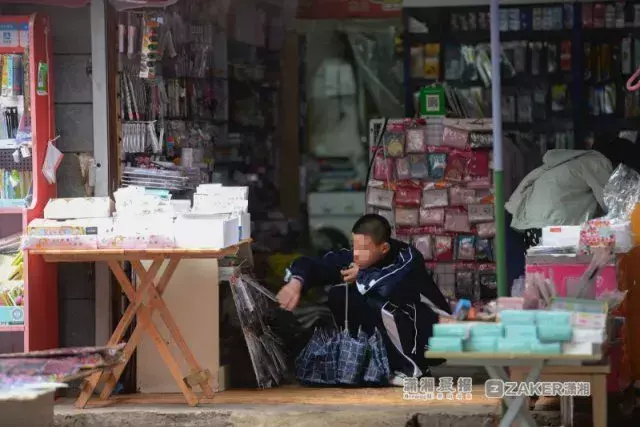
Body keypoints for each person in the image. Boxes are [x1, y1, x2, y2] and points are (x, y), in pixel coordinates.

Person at [276, 213, 451, 386]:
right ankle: (367, 364)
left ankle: (412, 368)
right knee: (340, 294)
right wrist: (296, 282)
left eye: (364, 248)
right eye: (355, 246)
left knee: (382, 302)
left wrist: (361, 276)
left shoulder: (408, 257)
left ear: (383, 248)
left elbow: (389, 285)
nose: (357, 254)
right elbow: (315, 264)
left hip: (433, 332)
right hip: (405, 324)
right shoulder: (355, 258)